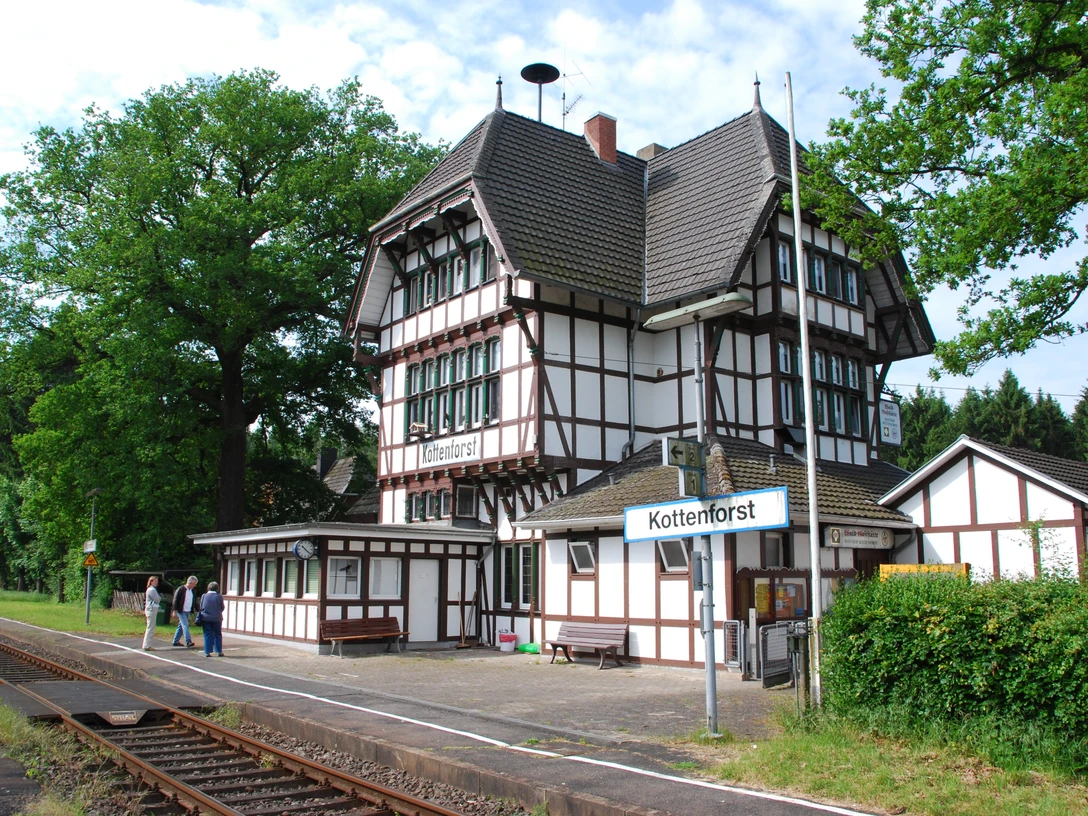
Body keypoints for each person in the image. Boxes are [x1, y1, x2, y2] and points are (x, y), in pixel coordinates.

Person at [171, 576, 199, 648]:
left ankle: (175, 641)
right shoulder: (181, 589)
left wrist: (198, 610)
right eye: (194, 584)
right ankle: (188, 641)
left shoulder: (193, 591)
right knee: (185, 624)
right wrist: (174, 610)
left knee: (181, 626)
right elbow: (175, 600)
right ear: (190, 583)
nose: (195, 585)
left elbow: (194, 601)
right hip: (181, 610)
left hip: (188, 610)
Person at [199, 581, 225, 657]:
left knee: (207, 634)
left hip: (206, 618)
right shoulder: (219, 596)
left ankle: (207, 651)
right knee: (218, 634)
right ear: (217, 588)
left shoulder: (204, 596)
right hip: (217, 618)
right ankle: (219, 651)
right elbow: (222, 607)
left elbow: (201, 607)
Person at [142, 575, 161, 651]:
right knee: (150, 628)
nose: (156, 583)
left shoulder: (152, 589)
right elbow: (157, 599)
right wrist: (159, 598)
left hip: (151, 609)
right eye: (155, 581)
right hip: (151, 610)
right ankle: (147, 645)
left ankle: (147, 645)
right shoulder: (152, 590)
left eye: (157, 581)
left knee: (150, 627)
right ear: (151, 582)